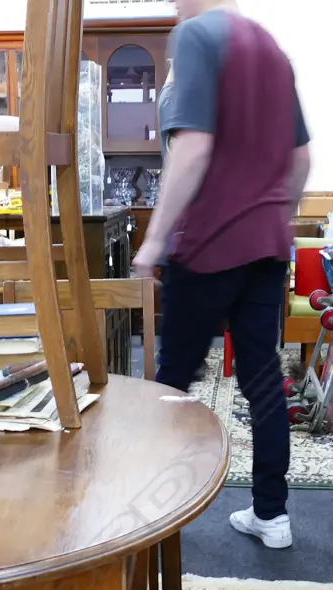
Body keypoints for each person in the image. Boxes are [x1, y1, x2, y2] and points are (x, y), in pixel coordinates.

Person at [134, 0, 310, 549]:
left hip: (209, 243)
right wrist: (273, 219)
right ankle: (272, 516)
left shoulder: (195, 38)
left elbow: (193, 146)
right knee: (264, 383)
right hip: (267, 247)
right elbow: (301, 158)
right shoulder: (273, 51)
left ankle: (147, 519)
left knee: (172, 384)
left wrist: (156, 240)